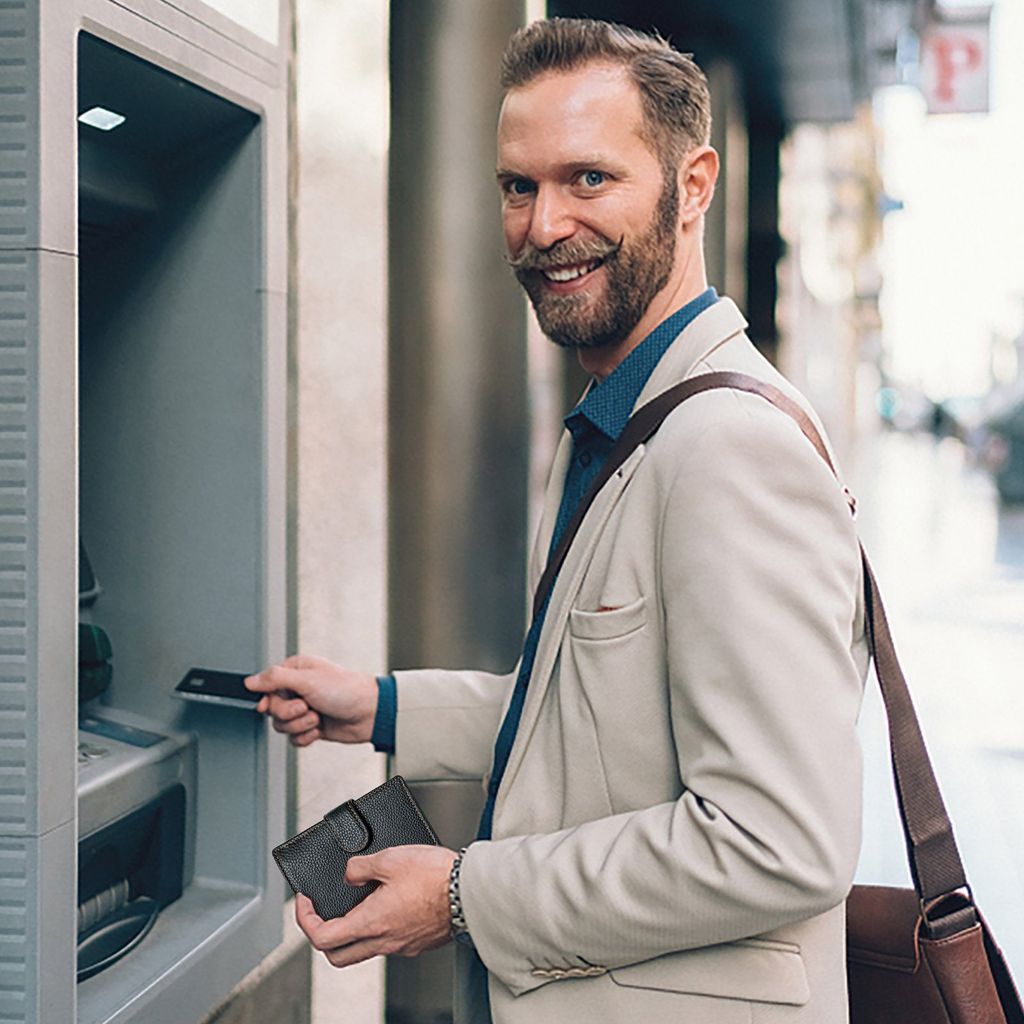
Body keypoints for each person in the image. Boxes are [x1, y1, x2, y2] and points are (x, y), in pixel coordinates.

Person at [246, 18, 868, 1024]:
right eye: (517, 186)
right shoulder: (617, 424)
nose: (542, 226)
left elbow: (778, 840)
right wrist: (380, 706)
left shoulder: (726, 448)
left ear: (693, 186)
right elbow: (587, 719)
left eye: (588, 179)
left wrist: (462, 895)